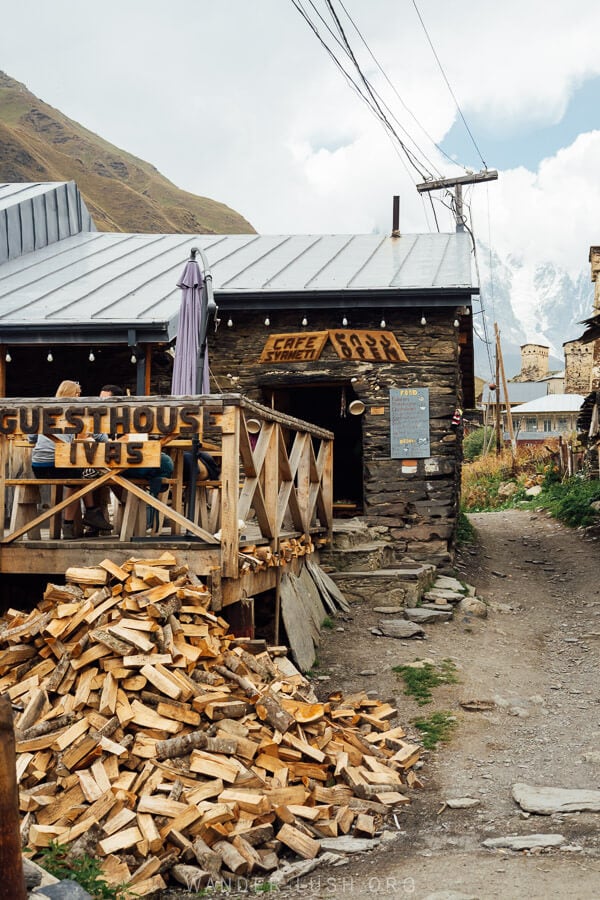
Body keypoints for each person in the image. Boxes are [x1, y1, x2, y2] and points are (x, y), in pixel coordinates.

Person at [29, 380, 111, 539]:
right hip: (58, 464)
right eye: (78, 394)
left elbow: (31, 437)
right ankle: (75, 521)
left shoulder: (44, 411)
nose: (80, 396)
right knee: (83, 478)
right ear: (75, 395)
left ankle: (89, 515)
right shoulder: (77, 413)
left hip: (38, 465)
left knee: (78, 476)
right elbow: (102, 438)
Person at [100, 384, 174, 529]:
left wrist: (113, 442)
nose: (100, 402)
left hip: (129, 462)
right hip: (109, 463)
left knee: (106, 474)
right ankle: (97, 517)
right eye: (99, 399)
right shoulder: (98, 419)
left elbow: (134, 439)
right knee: (96, 474)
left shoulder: (131, 417)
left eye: (104, 399)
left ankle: (138, 507)